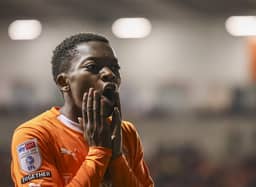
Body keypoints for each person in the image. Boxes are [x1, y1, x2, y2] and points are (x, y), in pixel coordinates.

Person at [11, 33, 154, 187]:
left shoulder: (126, 132)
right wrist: (99, 152)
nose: (110, 74)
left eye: (115, 68)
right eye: (92, 67)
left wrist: (117, 158)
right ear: (64, 82)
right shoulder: (34, 135)